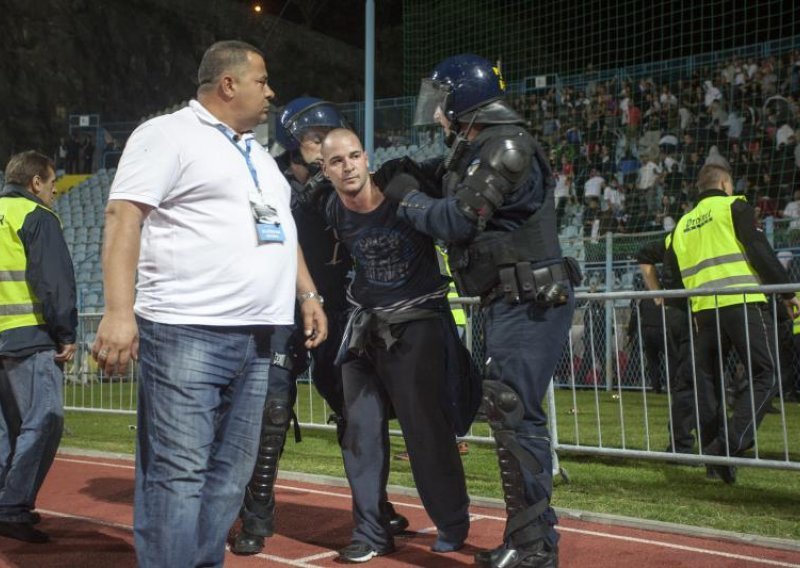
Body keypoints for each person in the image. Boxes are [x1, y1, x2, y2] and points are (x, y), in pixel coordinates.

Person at [90, 40, 327, 567]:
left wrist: (306, 292)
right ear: (228, 84)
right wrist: (119, 310)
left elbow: (281, 231)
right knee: (177, 472)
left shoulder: (259, 156)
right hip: (186, 331)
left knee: (231, 474)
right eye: (262, 81)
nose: (271, 92)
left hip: (261, 337)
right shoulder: (167, 134)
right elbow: (123, 214)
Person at [381, 54, 578, 568]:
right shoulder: (475, 146)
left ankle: (534, 546)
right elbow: (447, 185)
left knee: (513, 410)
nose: (437, 111)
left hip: (530, 297)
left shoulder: (506, 146)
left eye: (441, 99)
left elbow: (458, 220)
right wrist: (403, 173)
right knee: (509, 411)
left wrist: (406, 201)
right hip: (508, 298)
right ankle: (531, 541)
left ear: (463, 99)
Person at [230, 97, 408, 556]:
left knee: (359, 409)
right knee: (273, 409)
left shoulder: (339, 179)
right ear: (294, 145)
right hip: (283, 309)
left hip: (341, 307)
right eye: (314, 139)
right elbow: (267, 238)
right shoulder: (267, 178)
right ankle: (255, 515)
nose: (325, 144)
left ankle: (375, 508)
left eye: (329, 136)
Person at [321, 129, 475, 563]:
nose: (348, 166)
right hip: (365, 328)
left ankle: (452, 520)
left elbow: (453, 191)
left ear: (367, 159)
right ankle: (370, 532)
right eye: (337, 161)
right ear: (326, 169)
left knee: (425, 431)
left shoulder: (403, 194)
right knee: (360, 434)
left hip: (417, 324)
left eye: (354, 156)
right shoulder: (331, 206)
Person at [665, 148, 800, 483]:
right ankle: (727, 447)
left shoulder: (682, 225)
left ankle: (717, 465)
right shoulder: (733, 206)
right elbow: (759, 252)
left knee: (708, 386)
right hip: (741, 302)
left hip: (703, 314)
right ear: (725, 183)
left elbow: (673, 280)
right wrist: (787, 292)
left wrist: (693, 309)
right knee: (768, 374)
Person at [0, 151, 77, 543]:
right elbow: (54, 283)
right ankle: (12, 507)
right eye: (51, 184)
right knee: (44, 421)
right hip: (29, 336)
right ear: (35, 183)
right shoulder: (37, 217)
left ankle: (4, 500)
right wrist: (66, 333)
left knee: (6, 429)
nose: (53, 193)